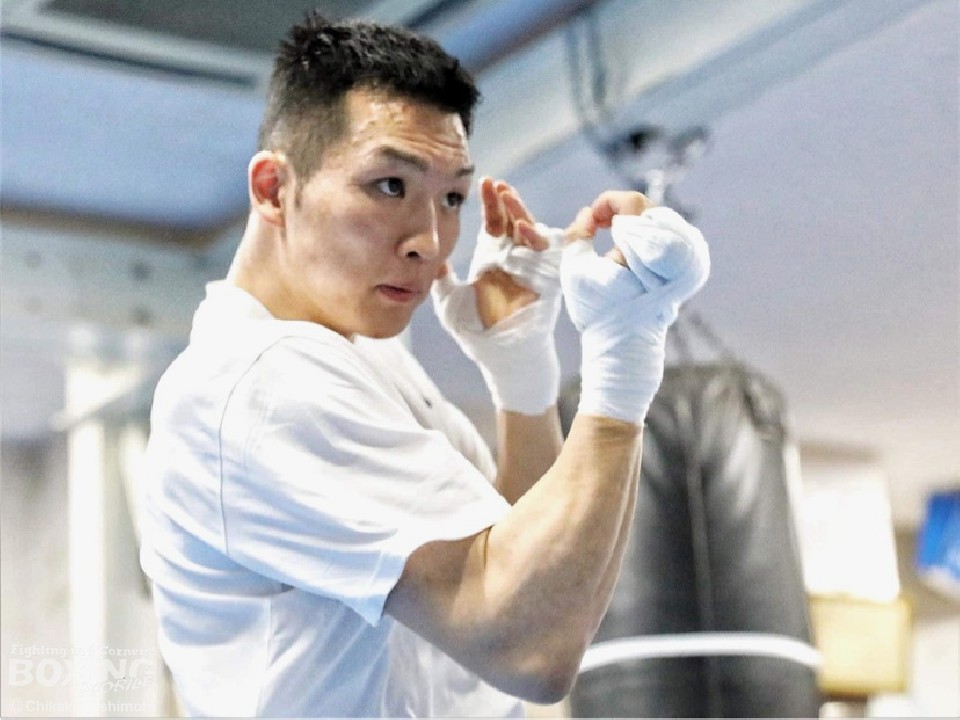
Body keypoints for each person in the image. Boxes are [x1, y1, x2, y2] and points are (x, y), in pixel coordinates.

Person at [138, 11, 710, 718]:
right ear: (273, 189)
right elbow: (532, 647)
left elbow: (531, 581)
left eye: (452, 198)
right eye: (389, 186)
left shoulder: (367, 360)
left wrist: (522, 378)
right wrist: (623, 361)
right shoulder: (260, 381)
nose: (431, 241)